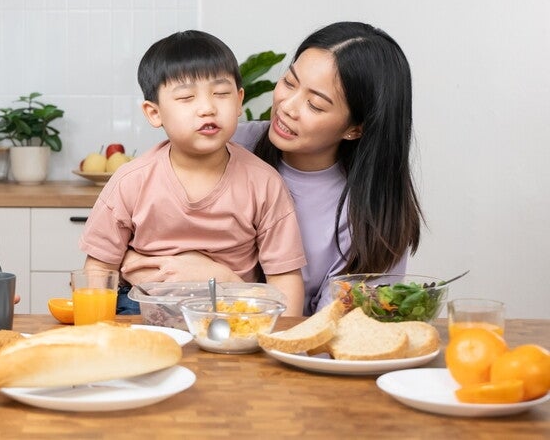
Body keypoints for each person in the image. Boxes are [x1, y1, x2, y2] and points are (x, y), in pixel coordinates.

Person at [122, 22, 423, 316]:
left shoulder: (374, 221)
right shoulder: (224, 144)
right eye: (289, 83)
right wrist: (142, 266)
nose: (287, 106)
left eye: (315, 105)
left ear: (355, 129)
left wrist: (222, 282)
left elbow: (324, 337)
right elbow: (122, 225)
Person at [78, 30, 306, 316]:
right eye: (186, 97)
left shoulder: (264, 183)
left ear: (238, 101)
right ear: (154, 113)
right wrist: (99, 330)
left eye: (221, 94)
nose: (207, 108)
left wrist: (282, 341)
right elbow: (100, 267)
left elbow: (285, 279)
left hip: (233, 310)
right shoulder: (130, 181)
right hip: (141, 307)